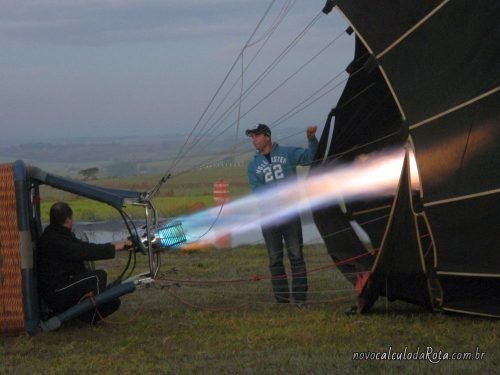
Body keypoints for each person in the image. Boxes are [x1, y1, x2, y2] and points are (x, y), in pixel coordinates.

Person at [246, 123, 318, 305]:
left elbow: (310, 158)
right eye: (252, 137)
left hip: (290, 214)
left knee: (296, 255)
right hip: (269, 217)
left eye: (256, 136)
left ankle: (300, 297)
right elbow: (257, 191)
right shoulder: (253, 166)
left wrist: (311, 139)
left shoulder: (287, 153)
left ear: (267, 136)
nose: (253, 140)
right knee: (275, 258)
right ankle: (282, 298)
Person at [37, 202, 133, 324]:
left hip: (62, 287)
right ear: (68, 220)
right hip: (57, 292)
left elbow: (83, 246)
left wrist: (115, 244)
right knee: (97, 276)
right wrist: (114, 248)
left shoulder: (57, 234)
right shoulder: (54, 240)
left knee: (113, 302)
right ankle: (88, 314)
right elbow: (83, 251)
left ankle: (83, 317)